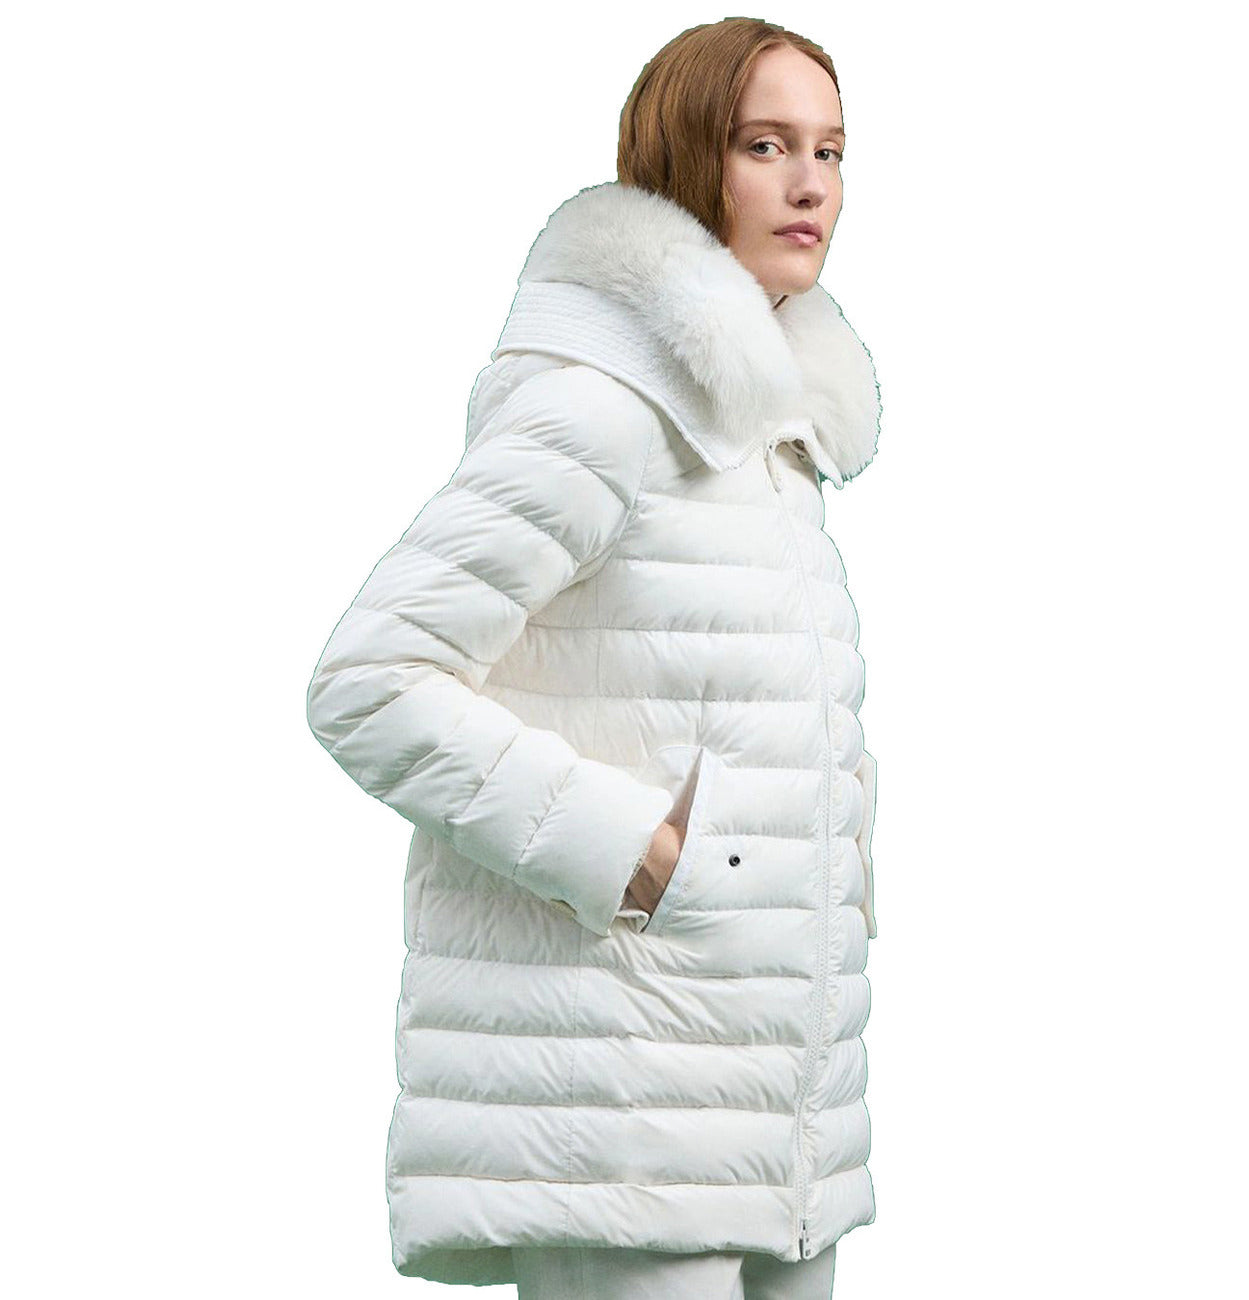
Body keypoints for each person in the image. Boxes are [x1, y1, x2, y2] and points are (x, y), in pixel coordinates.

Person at [305, 17, 882, 1299]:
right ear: (683, 158)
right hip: (614, 1099)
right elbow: (368, 682)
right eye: (764, 145)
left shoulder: (774, 442)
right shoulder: (601, 404)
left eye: (830, 151)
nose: (808, 185)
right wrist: (633, 850)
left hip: (775, 1106)